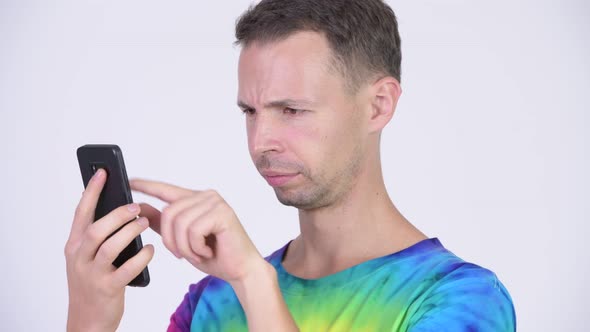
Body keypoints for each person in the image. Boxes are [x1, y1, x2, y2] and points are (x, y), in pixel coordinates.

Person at [64, 0, 516, 331]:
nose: (261, 142)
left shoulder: (458, 299)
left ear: (378, 106)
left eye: (292, 110)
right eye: (250, 112)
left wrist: (255, 283)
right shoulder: (214, 302)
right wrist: (90, 317)